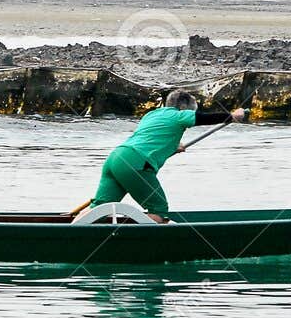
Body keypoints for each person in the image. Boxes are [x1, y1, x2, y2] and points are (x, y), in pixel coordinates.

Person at [88, 90, 245, 222]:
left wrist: (171, 148)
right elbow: (202, 118)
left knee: (99, 209)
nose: (193, 112)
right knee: (159, 209)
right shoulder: (179, 115)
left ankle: (69, 233)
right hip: (135, 162)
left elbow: (151, 138)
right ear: (183, 107)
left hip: (117, 157)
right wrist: (231, 116)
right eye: (192, 109)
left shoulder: (151, 115)